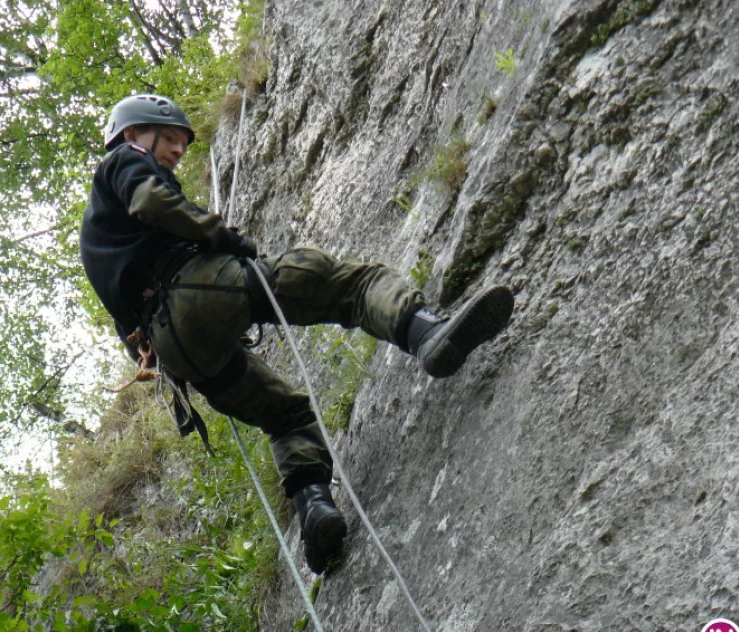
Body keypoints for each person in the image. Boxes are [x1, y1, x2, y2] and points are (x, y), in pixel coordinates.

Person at [80, 94, 514, 574]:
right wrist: (218, 236)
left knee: (284, 415)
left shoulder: (98, 239)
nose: (179, 152)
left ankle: (314, 512)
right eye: (170, 140)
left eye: (183, 145)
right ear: (131, 135)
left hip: (178, 354)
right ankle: (426, 333)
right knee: (349, 284)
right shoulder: (125, 161)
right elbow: (150, 200)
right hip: (198, 288)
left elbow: (128, 333)